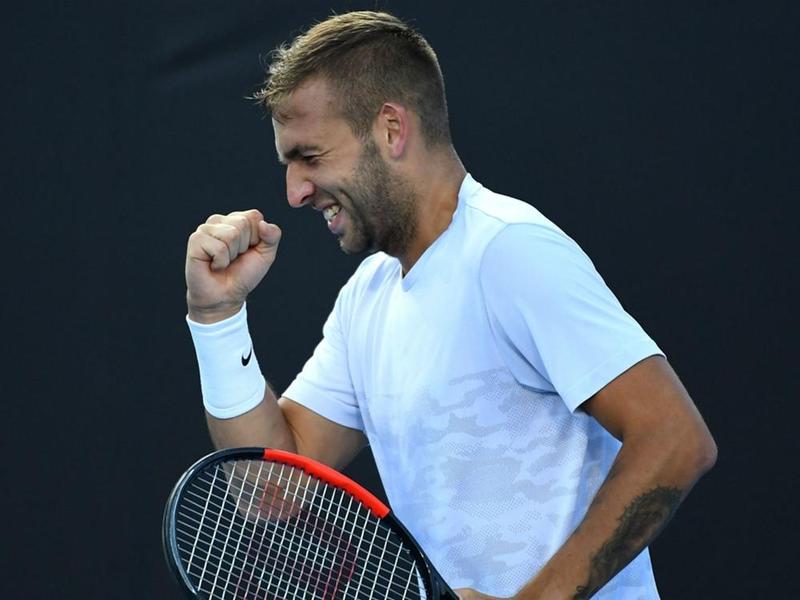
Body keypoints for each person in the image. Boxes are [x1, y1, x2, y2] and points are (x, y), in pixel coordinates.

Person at [184, 11, 717, 599]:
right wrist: (217, 318)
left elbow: (674, 438)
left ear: (391, 129)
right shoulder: (367, 299)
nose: (294, 192)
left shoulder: (510, 250)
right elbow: (270, 490)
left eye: (309, 156)